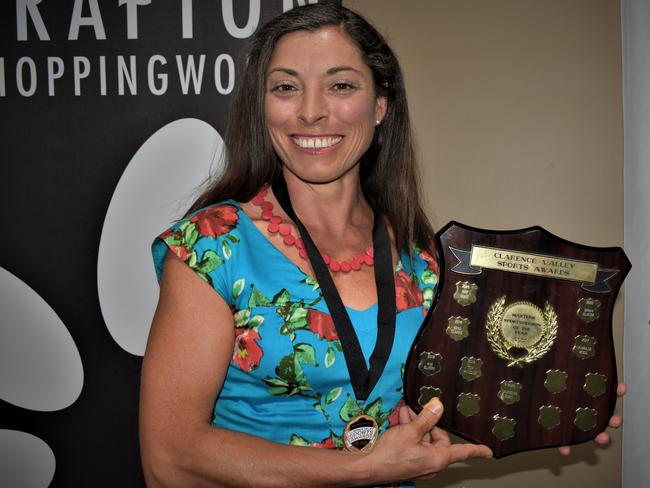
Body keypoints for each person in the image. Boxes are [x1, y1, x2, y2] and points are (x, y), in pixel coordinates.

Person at [139, 4, 623, 487]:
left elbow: (445, 389)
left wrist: (544, 406)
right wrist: (362, 468)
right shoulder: (211, 246)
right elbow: (170, 458)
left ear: (380, 105)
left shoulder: (425, 257)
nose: (310, 111)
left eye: (341, 85)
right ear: (260, 104)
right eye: (285, 87)